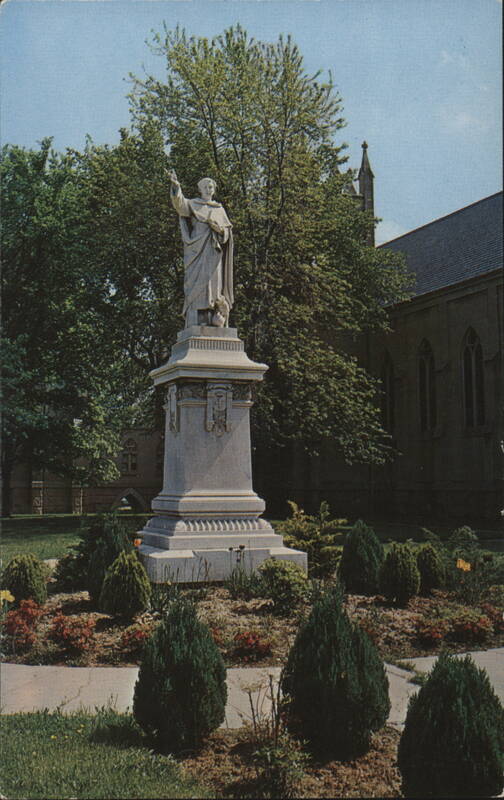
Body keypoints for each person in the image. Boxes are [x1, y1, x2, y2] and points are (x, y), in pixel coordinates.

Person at [169, 170, 234, 327]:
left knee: (214, 284)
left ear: (214, 189)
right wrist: (176, 187)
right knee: (195, 283)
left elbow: (227, 234)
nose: (208, 189)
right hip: (196, 251)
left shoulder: (219, 209)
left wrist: (219, 229)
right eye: (205, 186)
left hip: (214, 253)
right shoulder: (193, 204)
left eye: (211, 186)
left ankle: (214, 315)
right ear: (200, 189)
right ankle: (197, 318)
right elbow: (180, 206)